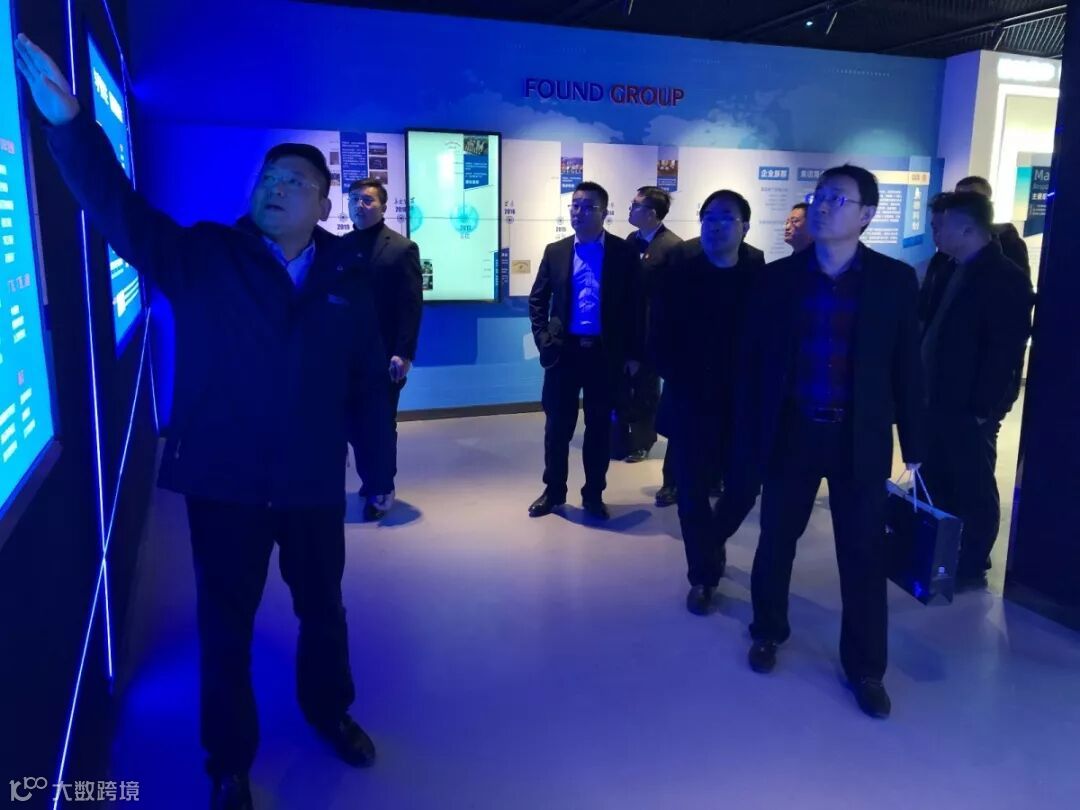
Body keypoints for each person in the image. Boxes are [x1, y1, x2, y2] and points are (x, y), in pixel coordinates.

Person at [16, 34, 387, 810]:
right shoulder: (207, 256)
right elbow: (121, 214)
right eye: (268, 177)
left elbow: (363, 385)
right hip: (225, 485)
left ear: (323, 205)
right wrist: (71, 125)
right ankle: (229, 763)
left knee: (324, 611)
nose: (276, 187)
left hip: (312, 485)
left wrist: (375, 472)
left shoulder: (349, 277)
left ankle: (330, 711)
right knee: (226, 628)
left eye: (295, 181)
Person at [725, 164, 925, 719]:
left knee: (862, 553)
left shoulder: (892, 281)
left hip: (858, 436)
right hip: (792, 431)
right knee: (776, 539)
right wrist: (747, 434)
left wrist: (915, 446)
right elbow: (753, 363)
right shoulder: (779, 279)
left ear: (866, 215)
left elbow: (908, 369)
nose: (822, 206)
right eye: (819, 196)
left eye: (838, 199)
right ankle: (767, 629)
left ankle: (866, 667)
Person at [650, 190, 764, 614]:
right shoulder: (681, 267)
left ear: (745, 226)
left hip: (743, 403)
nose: (715, 225)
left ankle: (710, 543)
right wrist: (677, 375)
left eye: (726, 217)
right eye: (708, 217)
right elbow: (658, 331)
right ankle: (702, 576)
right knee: (692, 493)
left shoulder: (757, 270)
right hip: (691, 399)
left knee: (744, 488)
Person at [921, 192, 1034, 590]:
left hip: (970, 406)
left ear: (967, 229)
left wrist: (984, 408)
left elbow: (1004, 352)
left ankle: (971, 563)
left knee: (973, 485)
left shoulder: (1004, 277)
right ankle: (940, 556)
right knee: (939, 477)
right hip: (938, 398)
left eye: (942, 226)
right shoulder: (949, 268)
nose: (935, 233)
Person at [527, 181, 644, 520]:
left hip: (605, 355)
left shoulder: (623, 253)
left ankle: (593, 494)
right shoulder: (556, 251)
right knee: (557, 428)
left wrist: (634, 354)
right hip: (564, 354)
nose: (579, 212)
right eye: (575, 205)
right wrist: (543, 338)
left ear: (604, 212)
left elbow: (637, 307)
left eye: (588, 206)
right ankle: (553, 491)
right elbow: (538, 299)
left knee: (598, 429)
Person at [342, 178, 423, 521]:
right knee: (353, 424)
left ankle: (382, 488)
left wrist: (404, 353)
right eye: (354, 200)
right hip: (346, 357)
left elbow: (411, 305)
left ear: (383, 207)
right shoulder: (340, 247)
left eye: (368, 200)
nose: (359, 206)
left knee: (379, 424)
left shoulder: (401, 248)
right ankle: (371, 479)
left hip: (384, 356)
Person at [621, 186, 683, 508]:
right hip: (629, 329)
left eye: (635, 205)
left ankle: (644, 441)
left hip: (655, 331)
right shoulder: (630, 242)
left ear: (652, 214)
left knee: (647, 388)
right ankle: (629, 438)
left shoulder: (672, 247)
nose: (629, 209)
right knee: (628, 388)